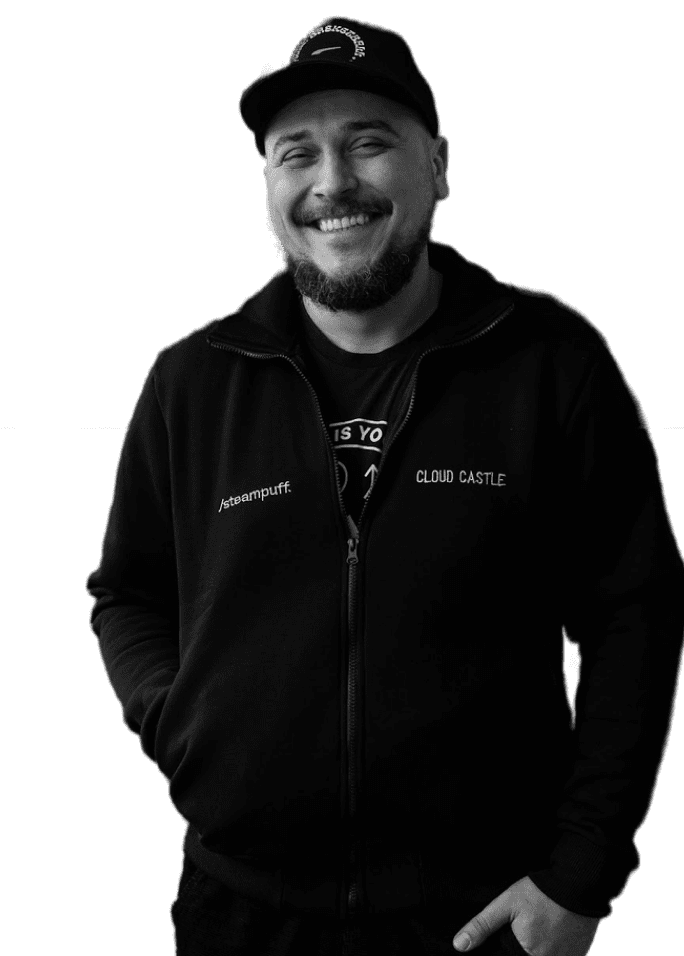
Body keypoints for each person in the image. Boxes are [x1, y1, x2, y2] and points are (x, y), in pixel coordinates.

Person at [84, 15, 684, 956]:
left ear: (437, 166)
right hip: (239, 915)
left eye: (369, 142)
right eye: (297, 153)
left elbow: (635, 613)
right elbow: (126, 591)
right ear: (268, 187)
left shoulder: (550, 362)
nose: (333, 182)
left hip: (486, 916)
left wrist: (582, 871)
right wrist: (185, 728)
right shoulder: (191, 382)